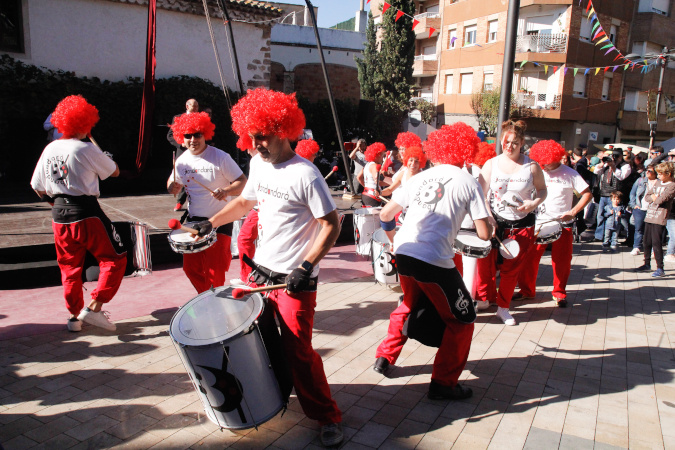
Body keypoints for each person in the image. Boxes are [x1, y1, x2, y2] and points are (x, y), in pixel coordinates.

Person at [194, 88, 343, 447]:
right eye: (252, 135)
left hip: (295, 279)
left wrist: (305, 267)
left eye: (263, 135)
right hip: (259, 272)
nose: (256, 143)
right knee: (256, 344)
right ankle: (271, 396)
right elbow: (246, 200)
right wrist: (211, 223)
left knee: (299, 351)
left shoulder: (306, 174)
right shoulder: (258, 163)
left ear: (284, 130)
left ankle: (327, 415)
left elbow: (332, 225)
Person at [372, 122, 492, 400]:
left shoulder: (418, 178)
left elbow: (386, 215)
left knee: (410, 303)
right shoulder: (468, 181)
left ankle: (384, 357)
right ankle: (443, 384)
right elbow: (483, 234)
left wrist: (393, 242)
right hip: (434, 257)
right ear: (465, 150)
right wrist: (490, 229)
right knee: (463, 319)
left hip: (405, 250)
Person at [30, 95, 125, 332]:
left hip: (59, 215)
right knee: (114, 258)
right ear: (85, 123)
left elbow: (36, 185)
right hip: (86, 211)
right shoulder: (85, 149)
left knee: (69, 267)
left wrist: (56, 203)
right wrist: (104, 157)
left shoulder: (50, 147)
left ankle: (74, 317)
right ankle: (94, 309)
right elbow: (115, 173)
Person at [475, 120, 547, 326]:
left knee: (511, 269)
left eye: (515, 142)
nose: (510, 146)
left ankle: (503, 308)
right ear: (501, 140)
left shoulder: (531, 166)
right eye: (506, 141)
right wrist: (488, 216)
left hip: (522, 225)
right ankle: (483, 299)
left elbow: (543, 190)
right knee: (485, 265)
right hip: (494, 222)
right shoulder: (491, 164)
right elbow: (481, 195)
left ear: (522, 142)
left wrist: (534, 202)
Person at [167, 112, 247, 293]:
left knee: (215, 272)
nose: (193, 139)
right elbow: (172, 181)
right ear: (182, 137)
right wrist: (172, 187)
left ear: (205, 134)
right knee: (191, 269)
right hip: (194, 221)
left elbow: (243, 183)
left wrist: (226, 191)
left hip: (220, 220)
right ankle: (208, 299)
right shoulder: (181, 161)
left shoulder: (220, 157)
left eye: (197, 134)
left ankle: (213, 303)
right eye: (188, 135)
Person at [514, 140, 592, 307]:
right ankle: (526, 291)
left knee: (561, 261)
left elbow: (587, 194)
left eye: (547, 163)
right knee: (529, 259)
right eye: (541, 162)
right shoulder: (537, 171)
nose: (544, 166)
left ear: (557, 158)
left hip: (563, 223)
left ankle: (559, 293)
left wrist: (573, 211)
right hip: (539, 223)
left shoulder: (570, 173)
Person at [635, 162, 675, 277]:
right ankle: (646, 264)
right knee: (646, 242)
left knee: (656, 243)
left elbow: (660, 200)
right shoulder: (658, 182)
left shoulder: (672, 185)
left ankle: (660, 268)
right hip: (650, 215)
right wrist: (654, 197)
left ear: (668, 174)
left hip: (660, 216)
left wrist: (655, 198)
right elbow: (647, 197)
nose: (658, 176)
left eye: (661, 174)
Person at [230, 137, 259, 287]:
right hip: (259, 207)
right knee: (245, 239)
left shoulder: (258, 161)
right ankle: (248, 276)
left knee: (244, 239)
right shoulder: (256, 161)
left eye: (250, 146)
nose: (247, 150)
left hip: (262, 208)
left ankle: (248, 277)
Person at [168, 98, 200, 211]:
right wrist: (181, 144)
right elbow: (170, 136)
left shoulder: (201, 118)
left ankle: (194, 200)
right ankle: (180, 202)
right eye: (193, 106)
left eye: (197, 106)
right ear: (187, 106)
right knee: (181, 175)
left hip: (197, 151)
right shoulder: (178, 118)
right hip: (183, 151)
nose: (196, 108)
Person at [593, 148, 631, 242]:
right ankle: (599, 236)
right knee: (600, 215)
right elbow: (595, 171)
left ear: (621, 156)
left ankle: (613, 236)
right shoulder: (606, 165)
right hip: (603, 193)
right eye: (613, 156)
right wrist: (603, 163)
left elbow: (621, 177)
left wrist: (614, 167)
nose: (614, 158)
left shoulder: (625, 166)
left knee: (614, 216)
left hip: (615, 195)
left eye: (616, 156)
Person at [628, 163, 658, 256]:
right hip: (640, 208)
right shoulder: (641, 180)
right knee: (639, 229)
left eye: (650, 171)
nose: (647, 172)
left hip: (653, 209)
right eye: (647, 170)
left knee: (653, 230)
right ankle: (636, 247)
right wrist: (633, 205)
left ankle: (653, 250)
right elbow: (632, 193)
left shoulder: (659, 182)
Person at [357, 142, 387, 207]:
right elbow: (378, 181)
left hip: (365, 194)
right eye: (382, 155)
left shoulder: (367, 165)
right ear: (378, 155)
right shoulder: (374, 166)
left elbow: (358, 177)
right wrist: (395, 183)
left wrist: (366, 186)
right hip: (373, 197)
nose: (382, 158)